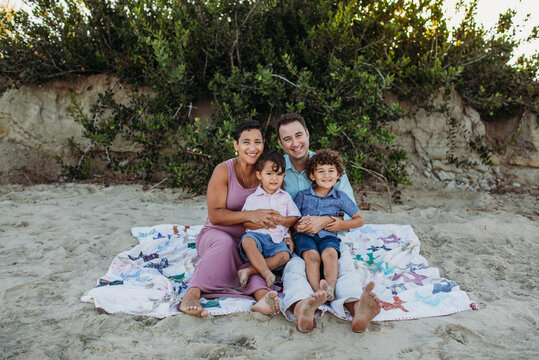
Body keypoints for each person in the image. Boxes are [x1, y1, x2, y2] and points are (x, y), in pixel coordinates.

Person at [276, 113, 383, 332]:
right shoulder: (276, 168)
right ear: (280, 143)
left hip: (331, 237)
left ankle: (356, 309)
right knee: (294, 270)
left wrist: (324, 220)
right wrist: (293, 229)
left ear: (307, 134)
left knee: (345, 267)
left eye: (299, 135)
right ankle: (302, 309)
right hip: (299, 239)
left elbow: (350, 214)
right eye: (287, 139)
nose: (295, 143)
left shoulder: (328, 165)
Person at [178, 120, 283, 317]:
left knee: (253, 259)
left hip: (253, 239)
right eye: (246, 142)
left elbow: (280, 207)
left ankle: (263, 299)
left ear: (264, 144)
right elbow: (215, 215)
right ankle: (191, 295)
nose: (252, 148)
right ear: (235, 145)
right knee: (225, 245)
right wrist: (250, 215)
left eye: (257, 142)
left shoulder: (269, 172)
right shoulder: (223, 170)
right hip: (218, 234)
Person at [293, 149, 364, 302]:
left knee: (330, 254)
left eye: (331, 171)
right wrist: (298, 225)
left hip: (328, 236)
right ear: (312, 175)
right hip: (305, 236)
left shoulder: (340, 198)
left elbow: (359, 220)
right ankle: (317, 291)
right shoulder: (302, 196)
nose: (326, 175)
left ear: (338, 175)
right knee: (312, 257)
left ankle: (330, 288)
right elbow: (292, 219)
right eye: (321, 171)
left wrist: (341, 224)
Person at [237, 151, 300, 288]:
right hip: (257, 237)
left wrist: (283, 220)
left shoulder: (285, 197)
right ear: (259, 175)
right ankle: (266, 273)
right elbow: (245, 222)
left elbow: (294, 218)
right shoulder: (252, 199)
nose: (274, 178)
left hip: (277, 240)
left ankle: (249, 270)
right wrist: (259, 224)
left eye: (278, 174)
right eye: (269, 174)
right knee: (247, 241)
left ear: (284, 176)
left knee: (285, 255)